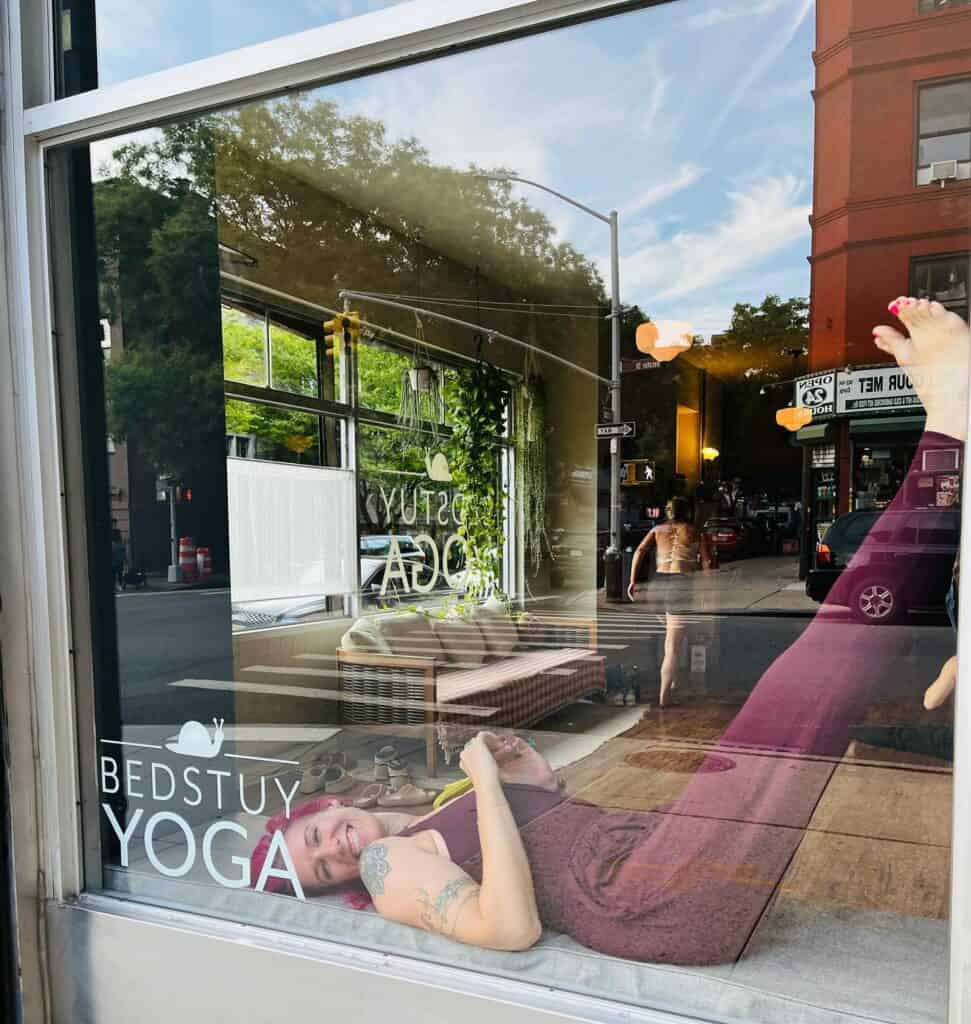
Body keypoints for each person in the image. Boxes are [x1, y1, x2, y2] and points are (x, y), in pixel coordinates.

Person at [251, 297, 968, 966]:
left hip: (645, 875)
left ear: (328, 806)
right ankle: (948, 433)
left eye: (316, 834)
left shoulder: (409, 830)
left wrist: (536, 785)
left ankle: (949, 439)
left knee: (813, 684)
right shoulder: (384, 868)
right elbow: (508, 927)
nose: (336, 850)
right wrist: (485, 786)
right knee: (808, 682)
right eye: (319, 870)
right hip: (643, 897)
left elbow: (540, 851)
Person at [626, 496, 715, 705]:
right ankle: (664, 697)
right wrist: (706, 592)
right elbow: (707, 564)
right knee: (672, 645)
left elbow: (639, 551)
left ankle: (673, 682)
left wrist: (632, 581)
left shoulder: (657, 531)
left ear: (668, 512)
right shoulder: (695, 532)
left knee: (674, 636)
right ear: (688, 512)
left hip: (657, 586)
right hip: (679, 586)